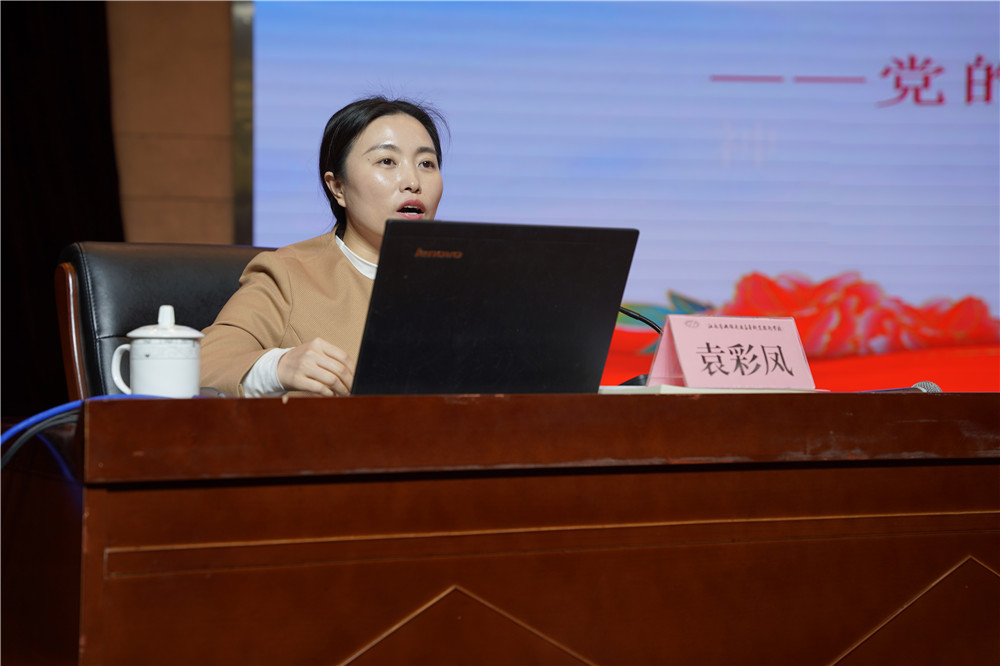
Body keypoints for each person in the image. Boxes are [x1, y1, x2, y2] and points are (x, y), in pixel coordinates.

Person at [200, 96, 446, 397]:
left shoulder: (472, 279)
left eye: (426, 164)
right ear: (337, 187)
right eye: (387, 161)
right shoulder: (288, 275)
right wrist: (279, 367)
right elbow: (204, 364)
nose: (412, 181)